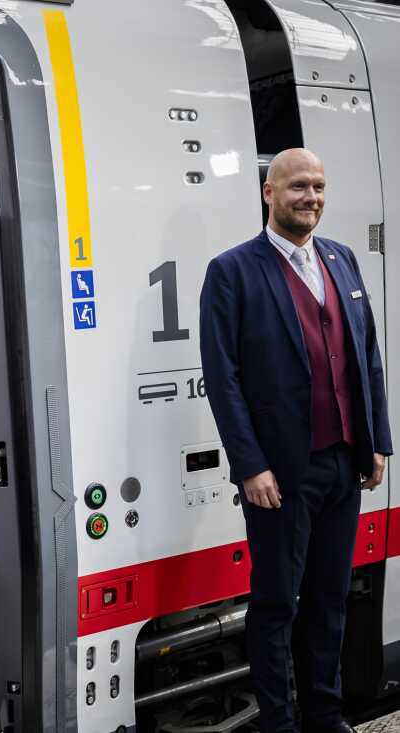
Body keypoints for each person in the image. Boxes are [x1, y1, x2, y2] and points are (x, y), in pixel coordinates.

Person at [200, 148, 390, 733]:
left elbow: (367, 356)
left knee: (330, 597)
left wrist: (377, 441)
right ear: (269, 192)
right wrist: (249, 465)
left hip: (343, 462)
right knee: (277, 602)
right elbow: (223, 378)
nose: (312, 197)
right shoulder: (232, 270)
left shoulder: (342, 259)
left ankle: (326, 716)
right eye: (299, 186)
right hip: (280, 473)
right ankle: (279, 724)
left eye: (319, 187)